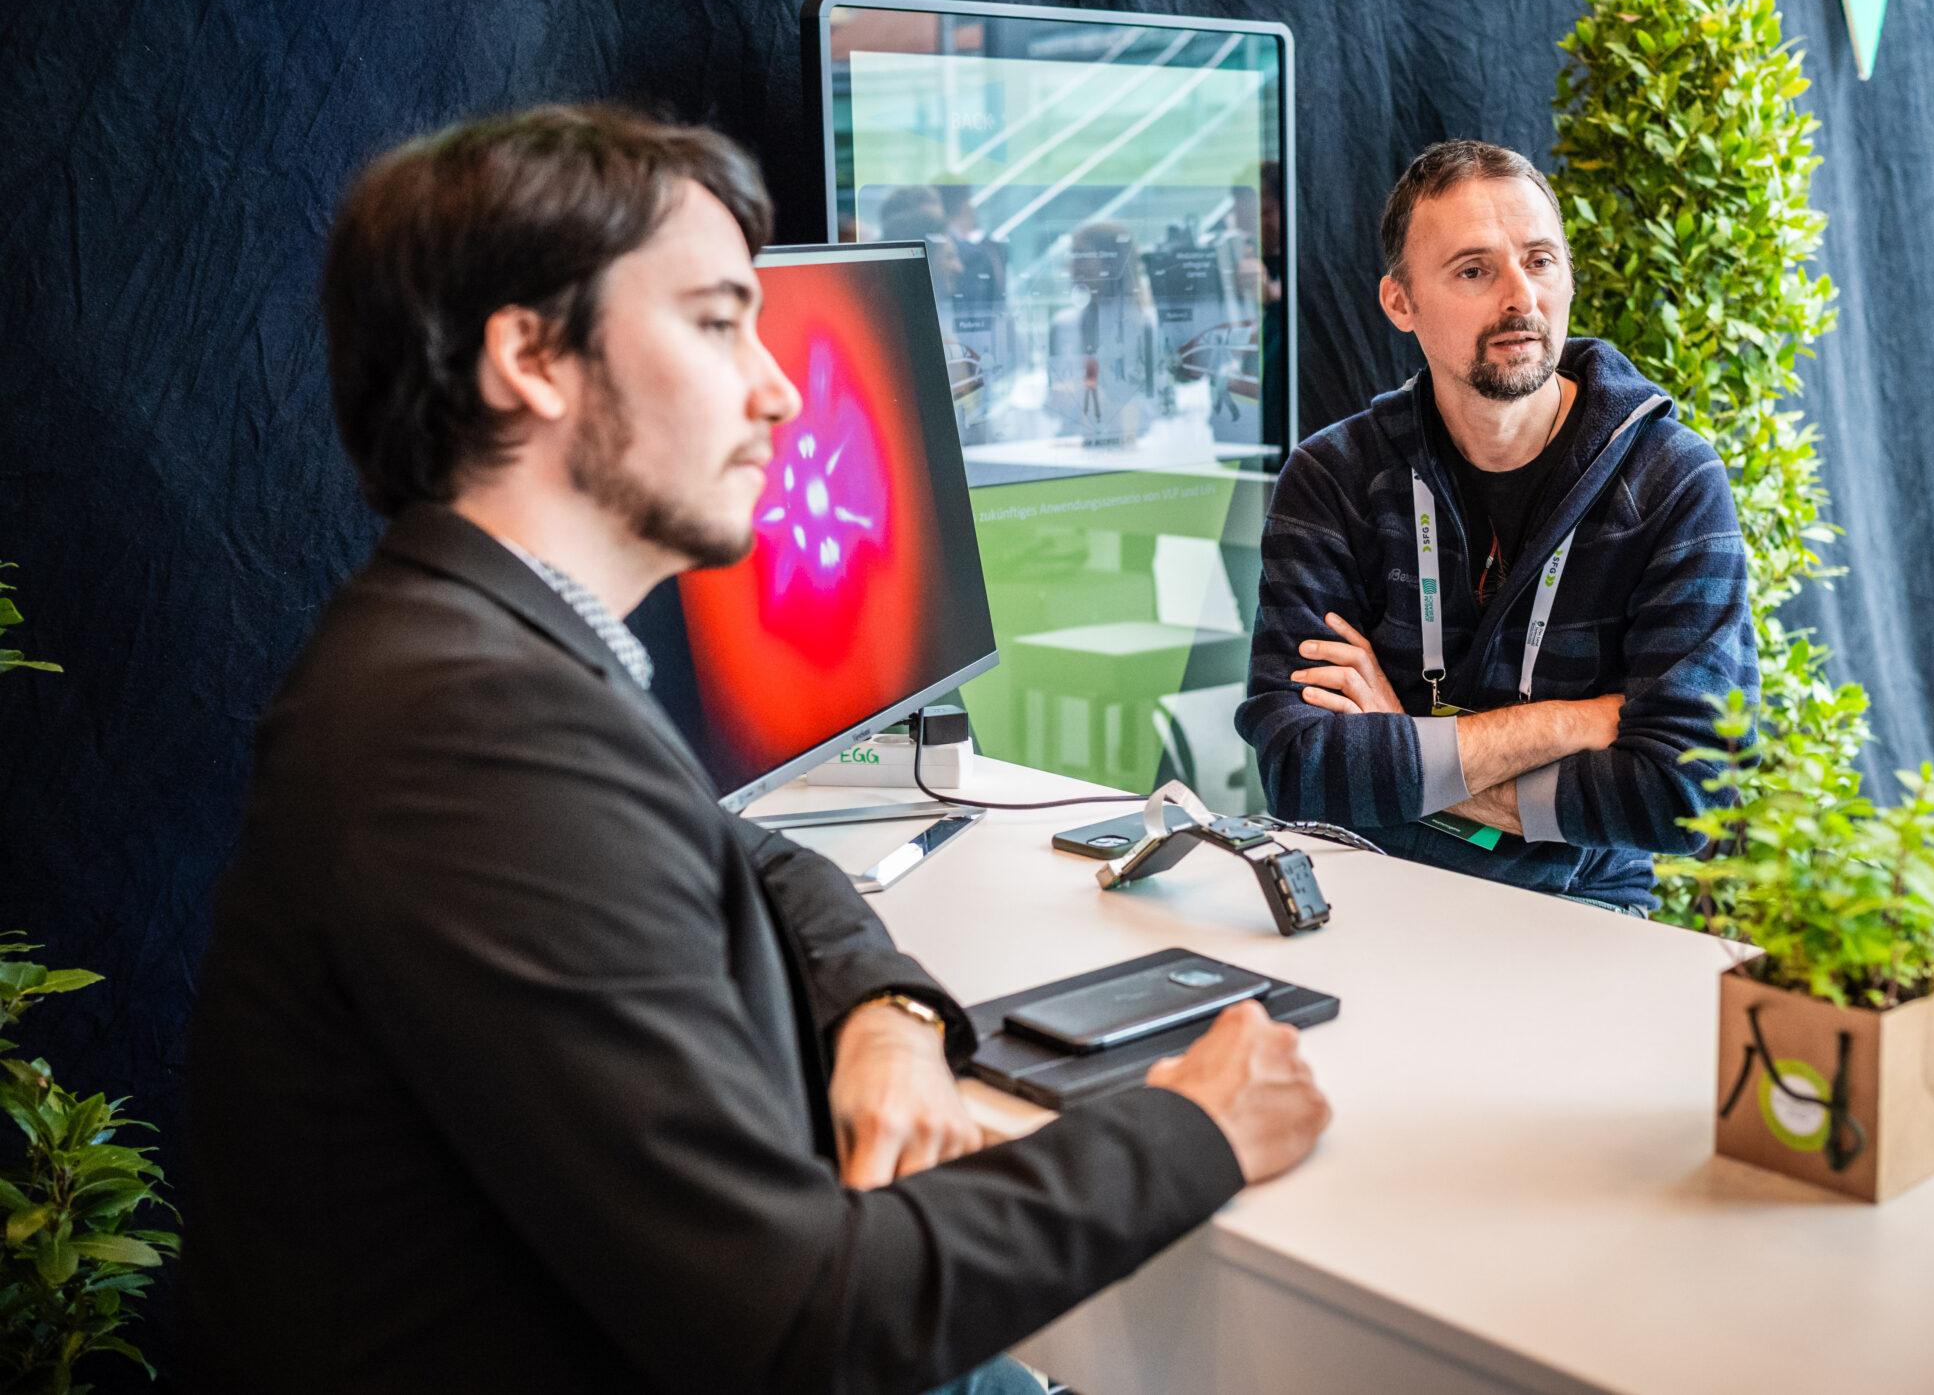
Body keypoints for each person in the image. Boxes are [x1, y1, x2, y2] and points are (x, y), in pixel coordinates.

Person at [183, 106, 1330, 1395]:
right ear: (533, 358)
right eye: (718, 323)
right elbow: (799, 1324)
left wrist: (888, 1013)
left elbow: (754, 861)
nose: (779, 390)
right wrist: (1191, 1127)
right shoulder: (472, 736)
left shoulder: (470, 654)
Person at [1235, 140, 1756, 912]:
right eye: (1474, 271)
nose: (1521, 296)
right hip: (1362, 884)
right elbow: (1300, 768)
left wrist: (1401, 742)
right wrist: (1575, 722)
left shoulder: (1670, 482)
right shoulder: (1335, 478)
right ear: (1400, 303)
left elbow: (1688, 793)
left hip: (1578, 913)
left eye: (1540, 261)